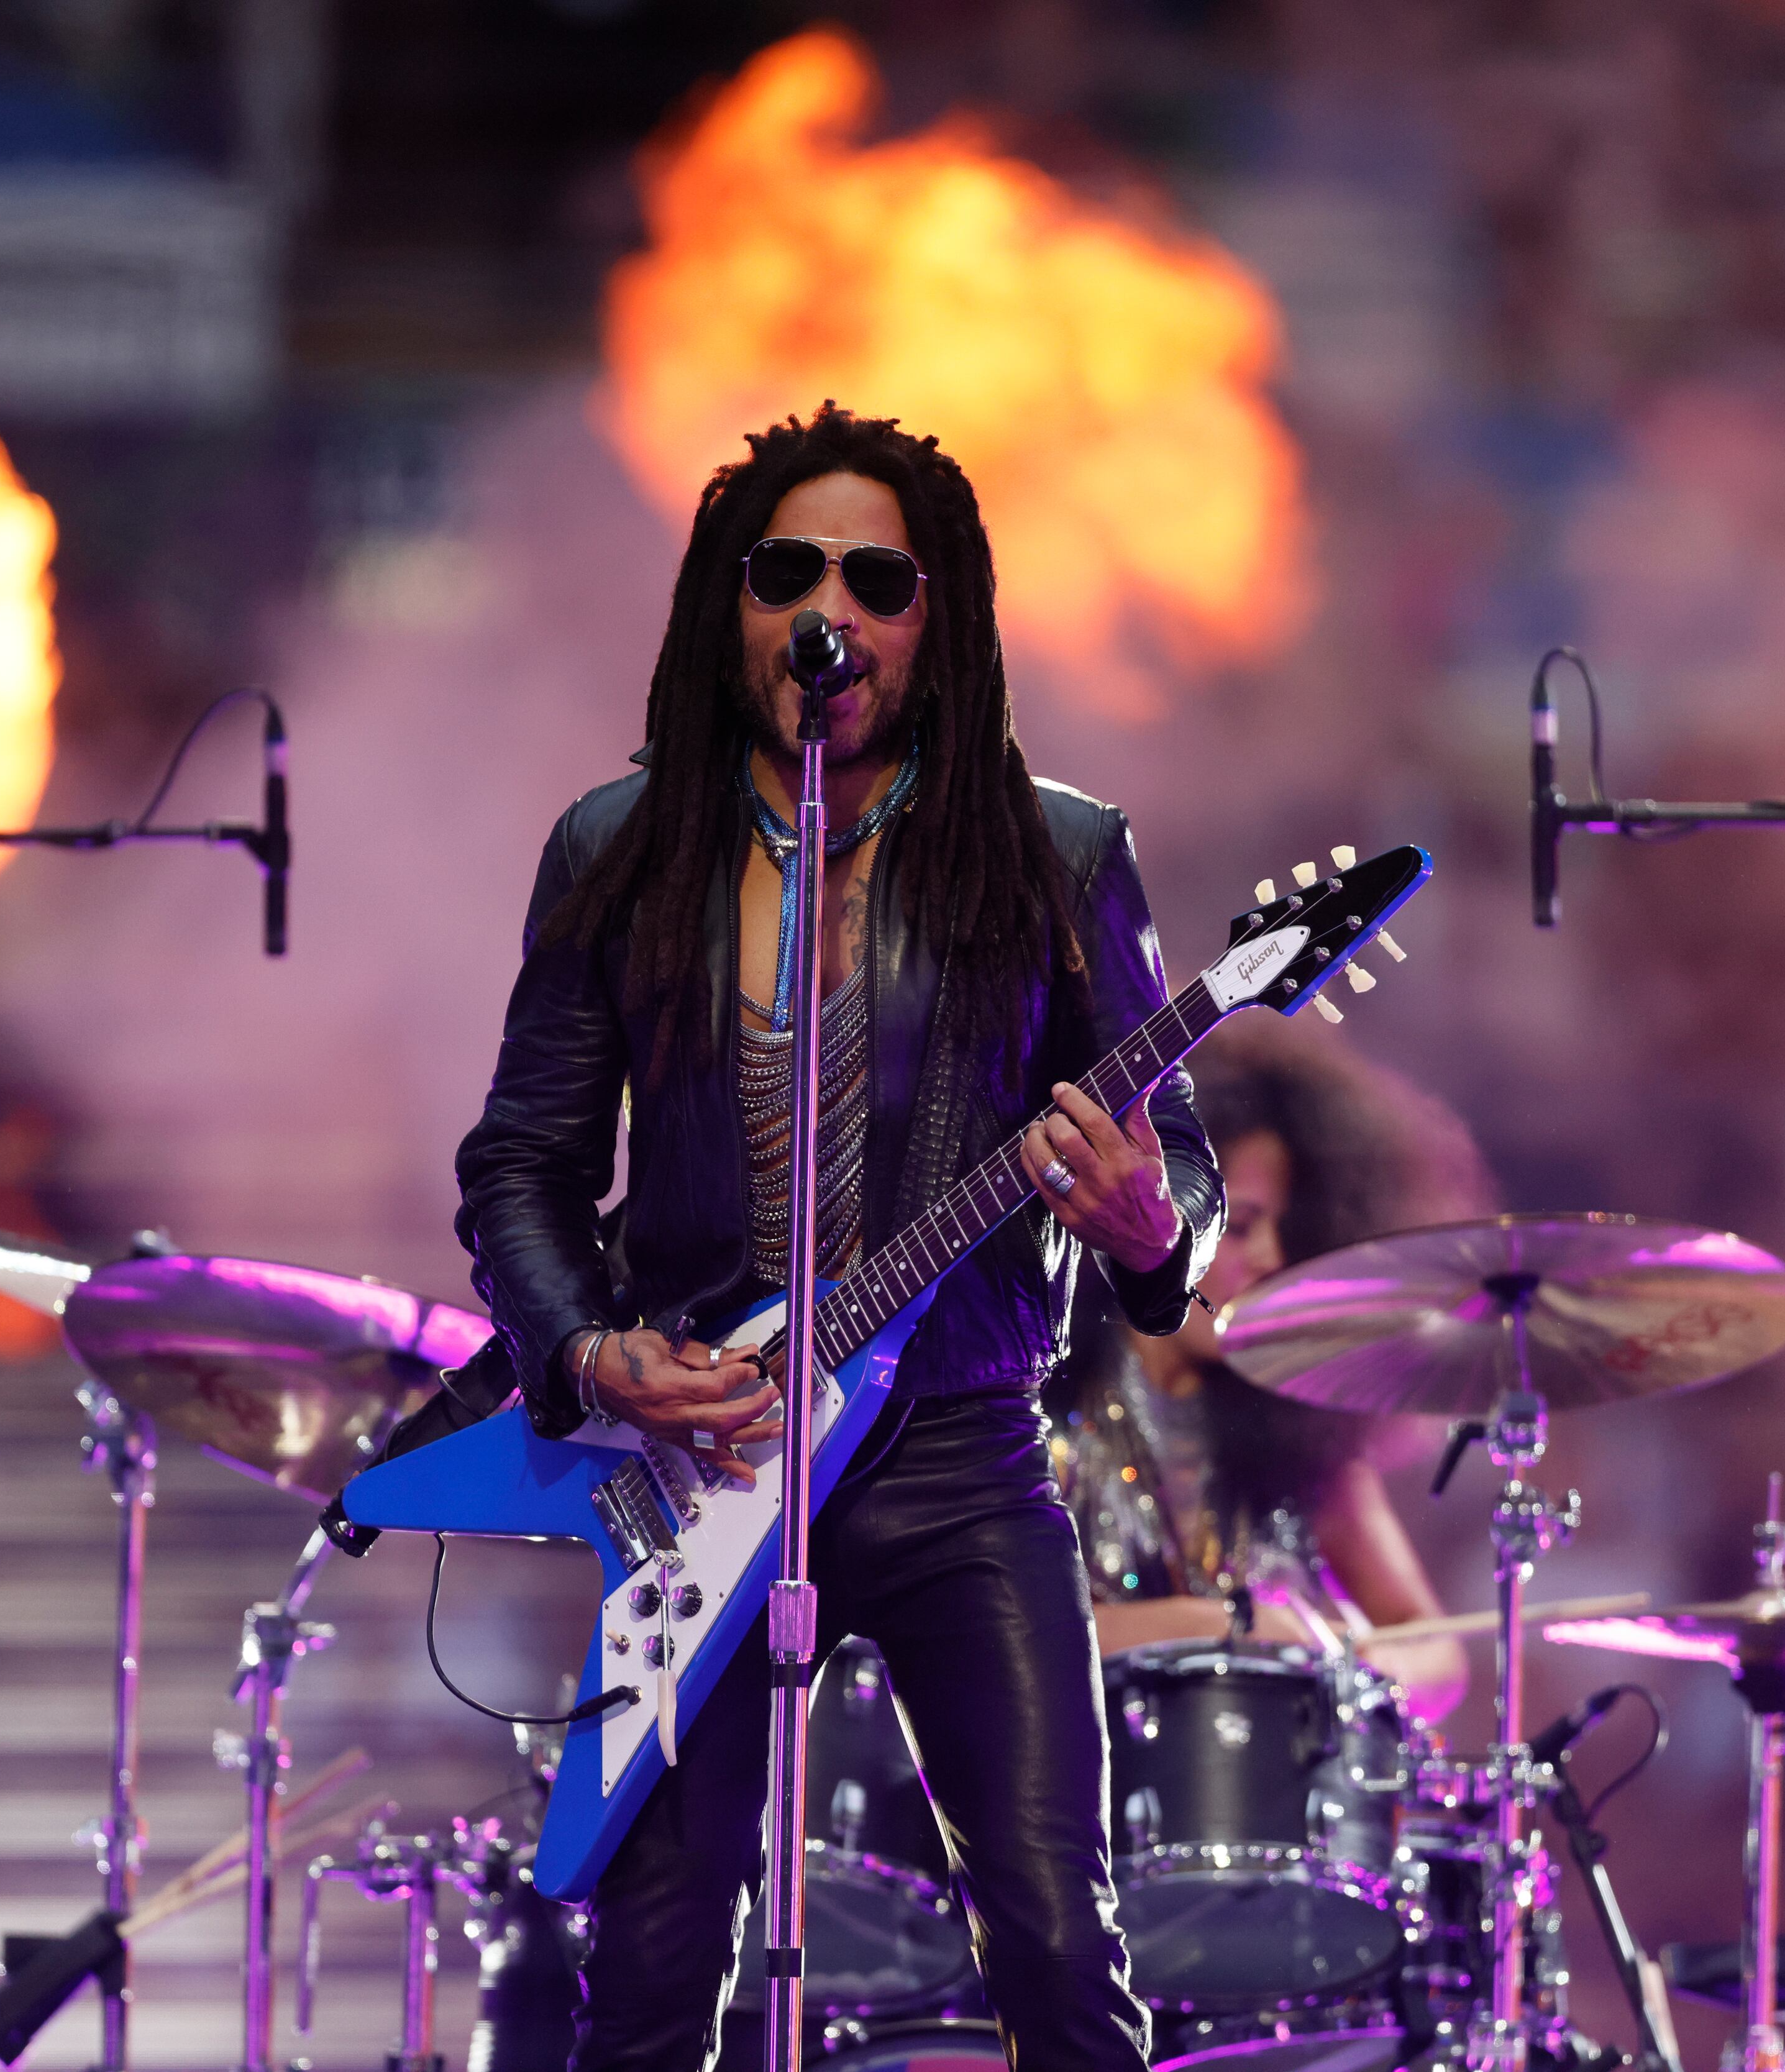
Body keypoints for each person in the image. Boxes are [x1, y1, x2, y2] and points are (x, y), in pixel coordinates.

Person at [449, 401, 1223, 2071]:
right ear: (727, 606)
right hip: (704, 1449)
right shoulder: (621, 846)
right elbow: (522, 1159)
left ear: (939, 621)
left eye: (881, 577)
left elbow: (1187, 1183)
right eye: (788, 569)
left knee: (1057, 1946)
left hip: (961, 1456)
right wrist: (594, 1349)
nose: (834, 609)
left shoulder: (1057, 848)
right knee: (649, 1977)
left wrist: (1147, 1216)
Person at [1049, 1015, 1497, 1722]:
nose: (1270, 1260)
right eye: (1243, 1222)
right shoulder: (1032, 1406)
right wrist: (1228, 1631)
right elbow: (986, 1639)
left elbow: (1437, 1655)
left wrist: (1343, 1662)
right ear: (1155, 1212)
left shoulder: (1297, 1433)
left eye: (1284, 1229)